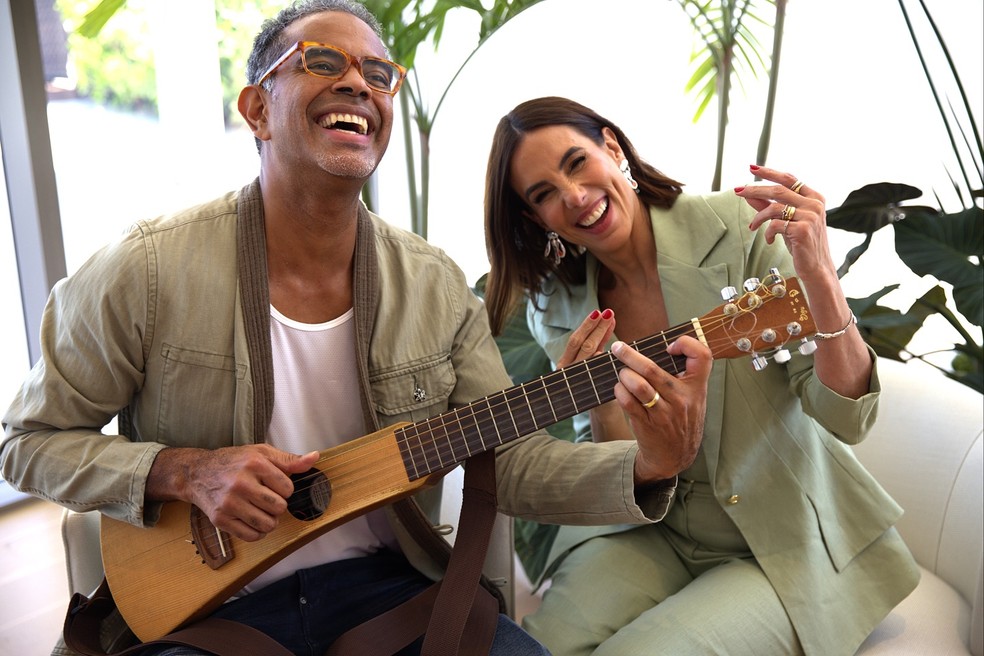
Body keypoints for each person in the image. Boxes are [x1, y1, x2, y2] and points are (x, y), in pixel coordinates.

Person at [1, 5, 718, 656]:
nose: (357, 84)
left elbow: (513, 462)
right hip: (207, 619)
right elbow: (28, 444)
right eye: (321, 61)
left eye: (378, 74)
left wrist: (646, 465)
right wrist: (185, 471)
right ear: (258, 109)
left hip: (390, 595)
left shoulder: (434, 286)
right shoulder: (147, 267)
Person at [482, 96, 920, 656]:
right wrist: (598, 400)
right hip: (650, 530)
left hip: (775, 539)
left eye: (577, 163)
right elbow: (617, 465)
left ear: (611, 147)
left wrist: (820, 278)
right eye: (543, 194)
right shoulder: (557, 307)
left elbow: (846, 419)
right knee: (531, 648)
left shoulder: (741, 227)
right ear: (535, 218)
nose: (573, 197)